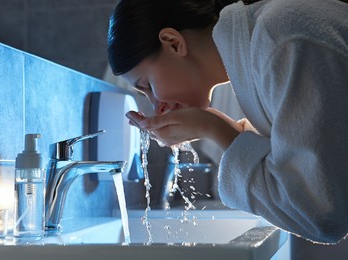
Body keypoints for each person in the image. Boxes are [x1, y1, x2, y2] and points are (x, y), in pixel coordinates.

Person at [107, 0, 348, 244]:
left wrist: (214, 128)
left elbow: (321, 214)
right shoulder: (263, 46)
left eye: (148, 86)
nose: (157, 107)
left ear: (174, 43)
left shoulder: (280, 38)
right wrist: (213, 125)